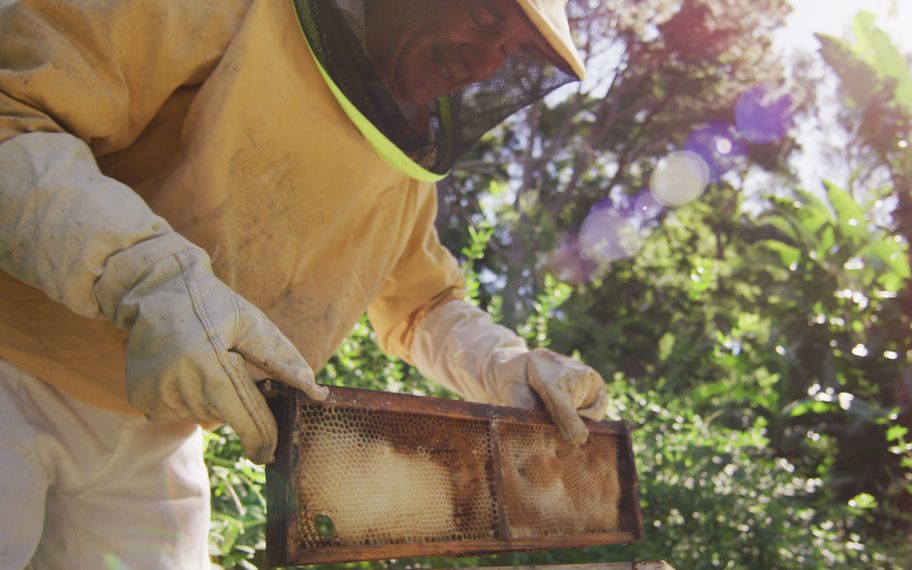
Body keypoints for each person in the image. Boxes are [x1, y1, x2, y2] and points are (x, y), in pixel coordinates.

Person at [0, 0, 608, 567]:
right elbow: (13, 116)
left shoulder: (404, 161)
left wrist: (506, 366)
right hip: (14, 371)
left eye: (509, 50)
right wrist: (142, 275)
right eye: (481, 19)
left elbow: (422, 305)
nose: (483, 64)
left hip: (159, 437)